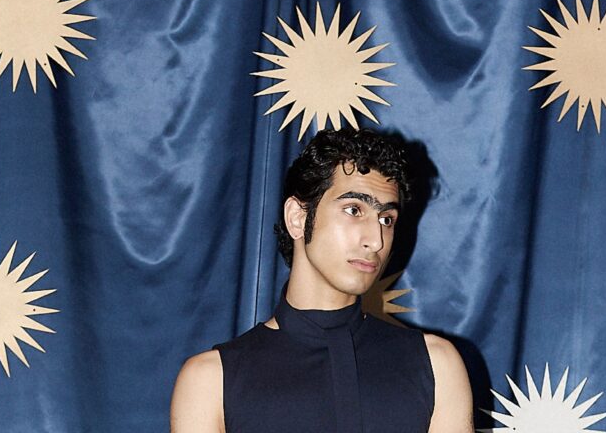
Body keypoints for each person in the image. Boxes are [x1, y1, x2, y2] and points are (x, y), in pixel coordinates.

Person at [170, 128, 473, 432]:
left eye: (386, 219)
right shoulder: (211, 381)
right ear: (297, 218)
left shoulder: (436, 365)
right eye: (354, 210)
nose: (376, 240)